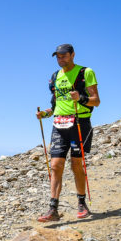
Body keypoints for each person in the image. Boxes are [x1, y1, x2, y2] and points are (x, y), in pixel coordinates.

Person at [36, 44, 101, 221]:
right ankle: (53, 209)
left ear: (72, 55)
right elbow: (55, 105)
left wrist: (80, 98)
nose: (60, 59)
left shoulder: (85, 72)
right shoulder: (55, 76)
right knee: (56, 165)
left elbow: (96, 101)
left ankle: (81, 204)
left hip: (80, 122)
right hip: (59, 123)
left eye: (64, 56)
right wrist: (46, 114)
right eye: (58, 56)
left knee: (76, 164)